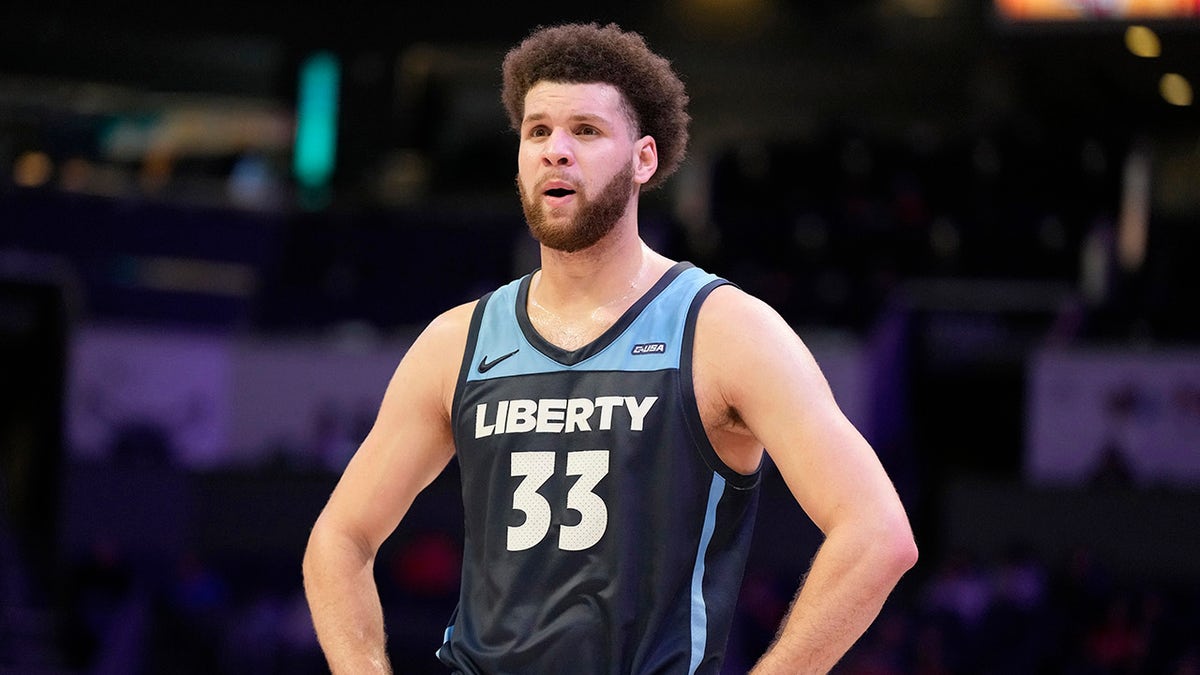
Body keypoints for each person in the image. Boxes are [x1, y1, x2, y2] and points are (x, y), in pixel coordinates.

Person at [303, 22, 917, 674]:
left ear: (644, 159)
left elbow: (878, 534)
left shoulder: (725, 330)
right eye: (538, 131)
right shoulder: (457, 342)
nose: (556, 151)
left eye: (586, 131)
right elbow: (339, 538)